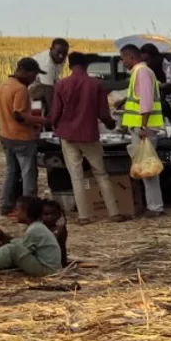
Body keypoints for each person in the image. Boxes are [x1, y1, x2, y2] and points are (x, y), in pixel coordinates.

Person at [51, 52, 127, 224]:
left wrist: (55, 126)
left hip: (68, 134)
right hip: (89, 134)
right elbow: (102, 113)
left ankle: (84, 216)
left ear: (70, 66)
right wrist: (110, 124)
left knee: (76, 175)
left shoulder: (61, 84)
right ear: (86, 65)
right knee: (101, 173)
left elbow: (55, 112)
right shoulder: (95, 84)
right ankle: (113, 212)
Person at [117, 46, 166, 216]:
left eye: (123, 59)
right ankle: (150, 205)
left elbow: (146, 102)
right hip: (139, 127)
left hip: (144, 128)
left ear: (130, 57)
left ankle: (155, 207)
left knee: (147, 168)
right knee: (144, 167)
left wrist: (144, 127)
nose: (122, 62)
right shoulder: (140, 72)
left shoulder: (142, 72)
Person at [0, 58, 45, 217]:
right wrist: (41, 120)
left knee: (11, 172)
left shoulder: (3, 85)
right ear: (25, 72)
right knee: (28, 173)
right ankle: (29, 208)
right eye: (34, 75)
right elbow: (19, 115)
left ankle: (6, 205)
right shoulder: (21, 89)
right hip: (21, 138)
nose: (34, 79)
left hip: (5, 134)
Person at [0, 196, 62, 278]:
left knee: (12, 249)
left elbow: (19, 249)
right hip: (49, 268)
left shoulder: (35, 229)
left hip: (47, 270)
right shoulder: (37, 227)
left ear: (26, 212)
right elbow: (22, 245)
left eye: (17, 209)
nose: (15, 212)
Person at [28, 38, 69, 113]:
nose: (61, 56)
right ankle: (39, 118)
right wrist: (53, 112)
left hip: (43, 85)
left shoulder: (60, 58)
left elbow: (55, 80)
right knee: (42, 106)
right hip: (31, 88)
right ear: (51, 49)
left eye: (64, 53)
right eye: (59, 52)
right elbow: (48, 90)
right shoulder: (46, 65)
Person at [40, 199, 69, 266]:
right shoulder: (38, 227)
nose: (50, 217)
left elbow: (62, 247)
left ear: (59, 214)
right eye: (46, 214)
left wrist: (63, 263)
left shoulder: (61, 229)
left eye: (54, 214)